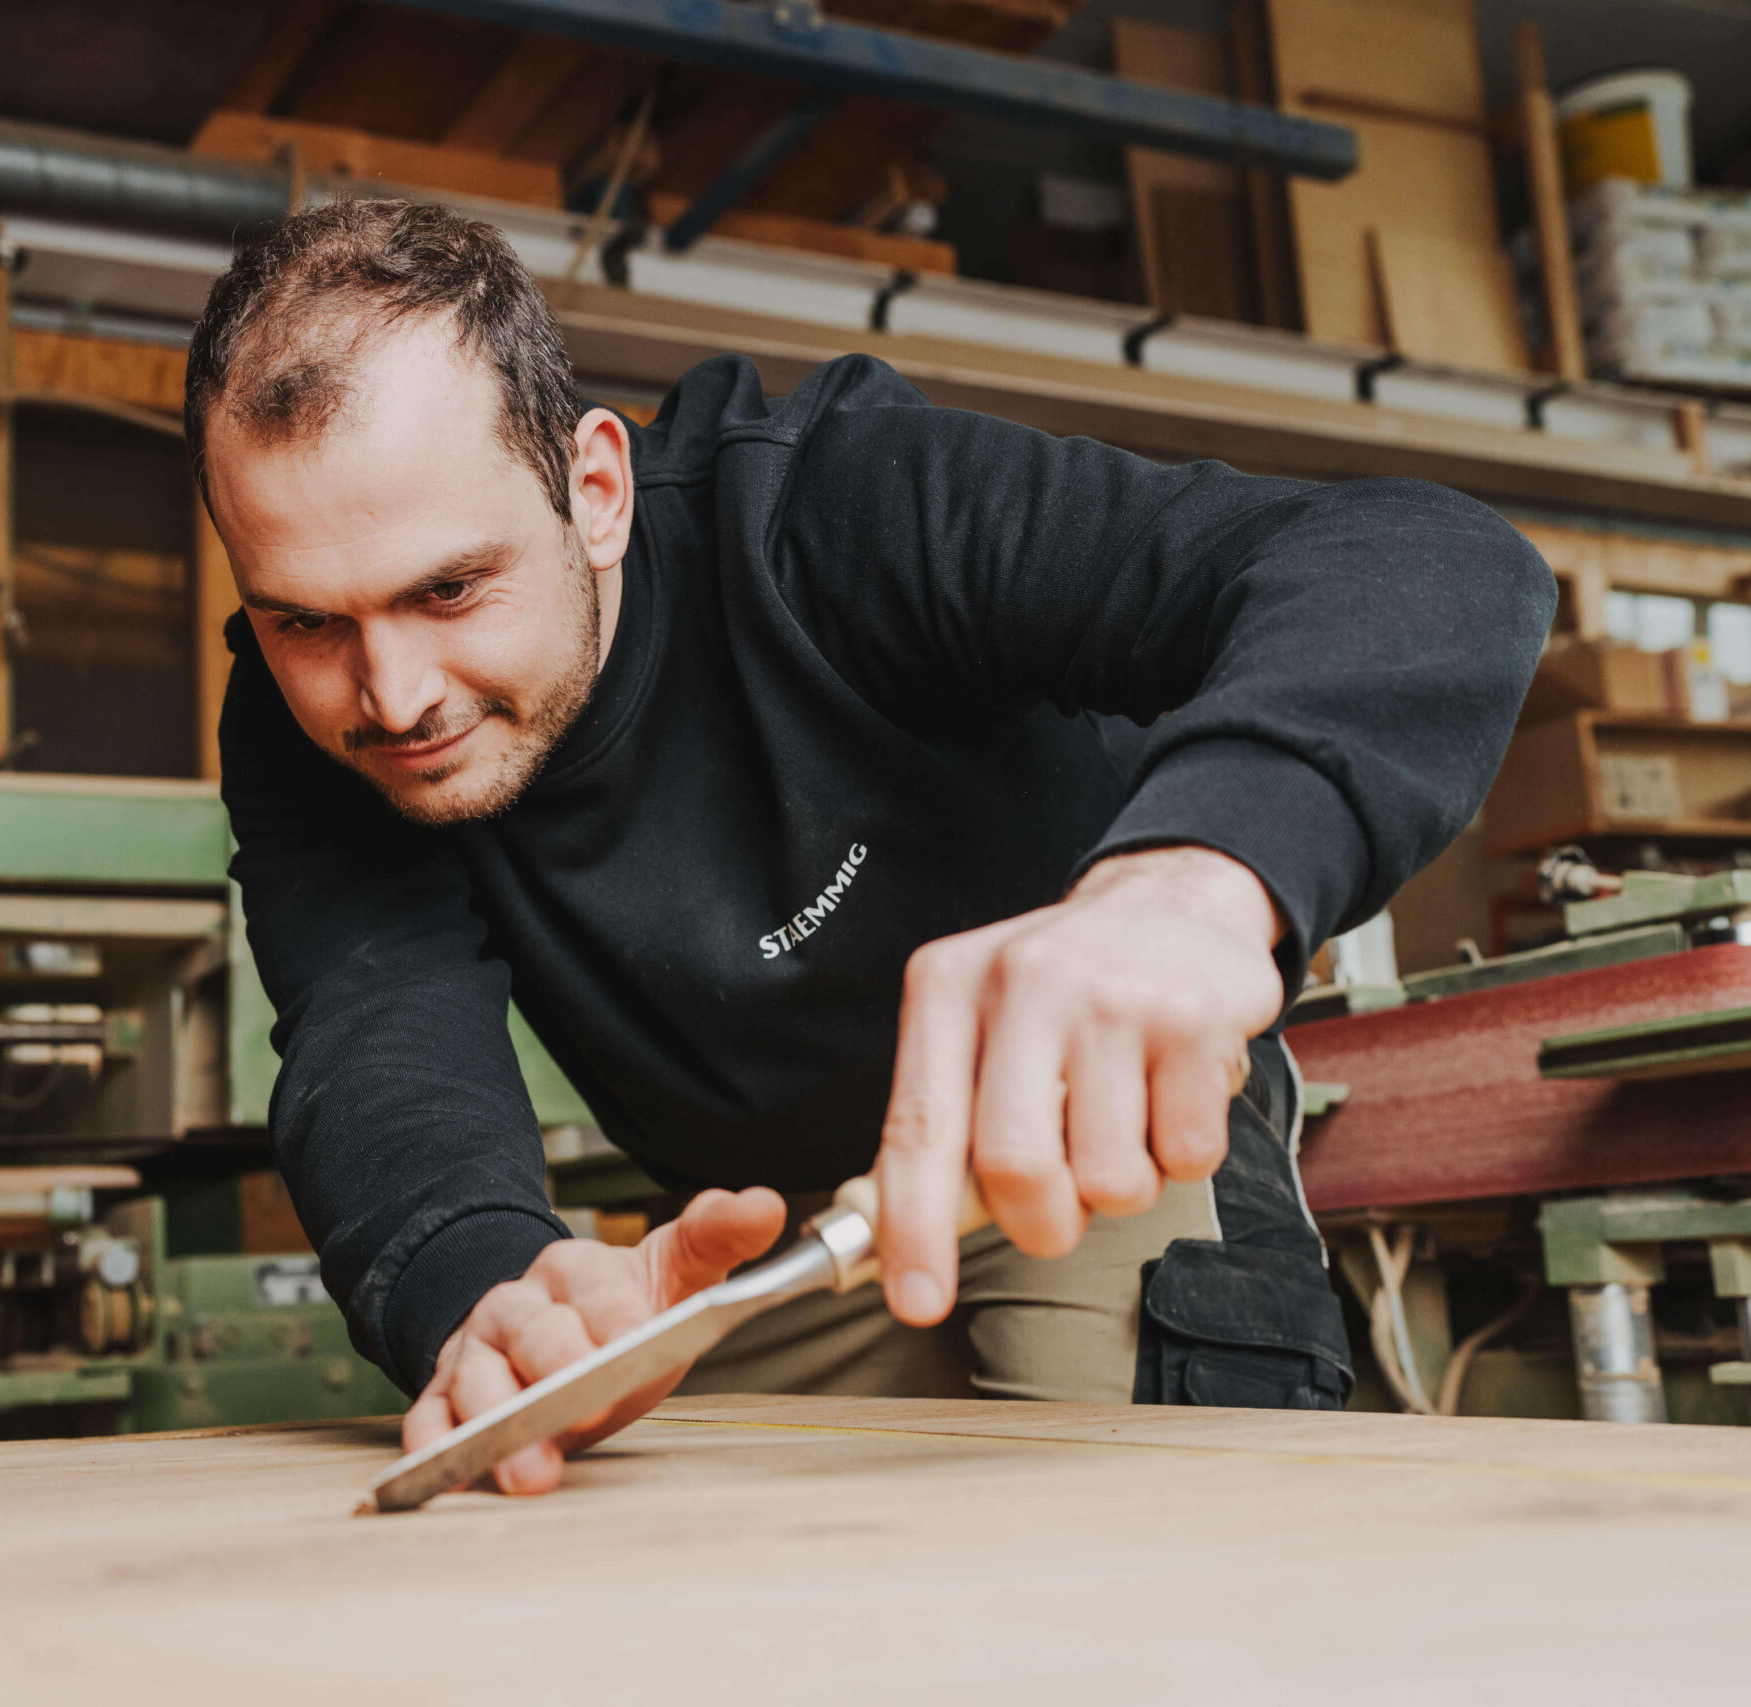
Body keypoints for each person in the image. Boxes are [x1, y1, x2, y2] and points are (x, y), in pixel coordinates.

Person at [184, 199, 1551, 1496]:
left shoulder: (833, 510)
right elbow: (377, 1023)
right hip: (774, 1238)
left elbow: (1430, 560)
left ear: (595, 488)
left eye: (451, 588)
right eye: (307, 621)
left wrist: (1195, 880)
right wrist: (489, 1294)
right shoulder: (313, 718)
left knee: (1137, 1535)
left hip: (1081, 1141)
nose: (394, 691)